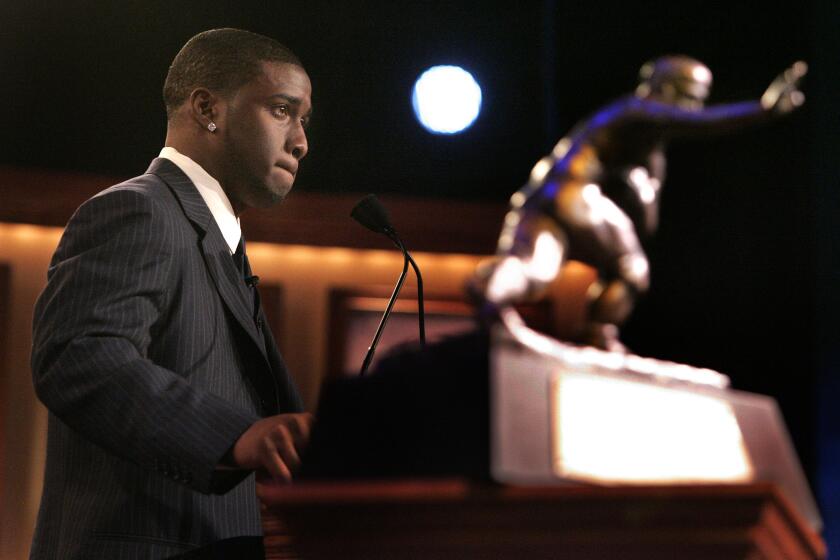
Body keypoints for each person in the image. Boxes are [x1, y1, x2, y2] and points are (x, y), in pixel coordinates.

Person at [30, 28, 313, 559]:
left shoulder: (222, 246)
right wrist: (236, 438)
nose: (301, 141)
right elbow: (77, 356)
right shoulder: (140, 211)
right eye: (282, 109)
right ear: (208, 107)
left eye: (303, 120)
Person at [473, 56, 806, 352]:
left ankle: (491, 294)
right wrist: (763, 110)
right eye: (688, 98)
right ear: (663, 88)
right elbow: (698, 124)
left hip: (542, 197)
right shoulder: (634, 109)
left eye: (698, 101)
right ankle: (596, 335)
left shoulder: (651, 150)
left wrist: (640, 191)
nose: (691, 109)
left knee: (537, 269)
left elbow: (647, 224)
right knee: (631, 268)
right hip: (573, 193)